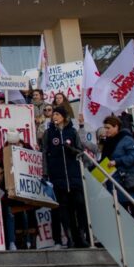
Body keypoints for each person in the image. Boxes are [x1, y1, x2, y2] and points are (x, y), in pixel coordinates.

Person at [42, 106, 88, 248]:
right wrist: (45, 172)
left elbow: (81, 151)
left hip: (73, 175)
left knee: (79, 205)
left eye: (57, 114)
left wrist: (71, 149)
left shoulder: (72, 132)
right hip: (58, 175)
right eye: (53, 114)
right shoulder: (48, 133)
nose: (54, 116)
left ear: (64, 117)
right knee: (63, 208)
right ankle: (70, 239)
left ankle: (81, 236)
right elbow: (44, 153)